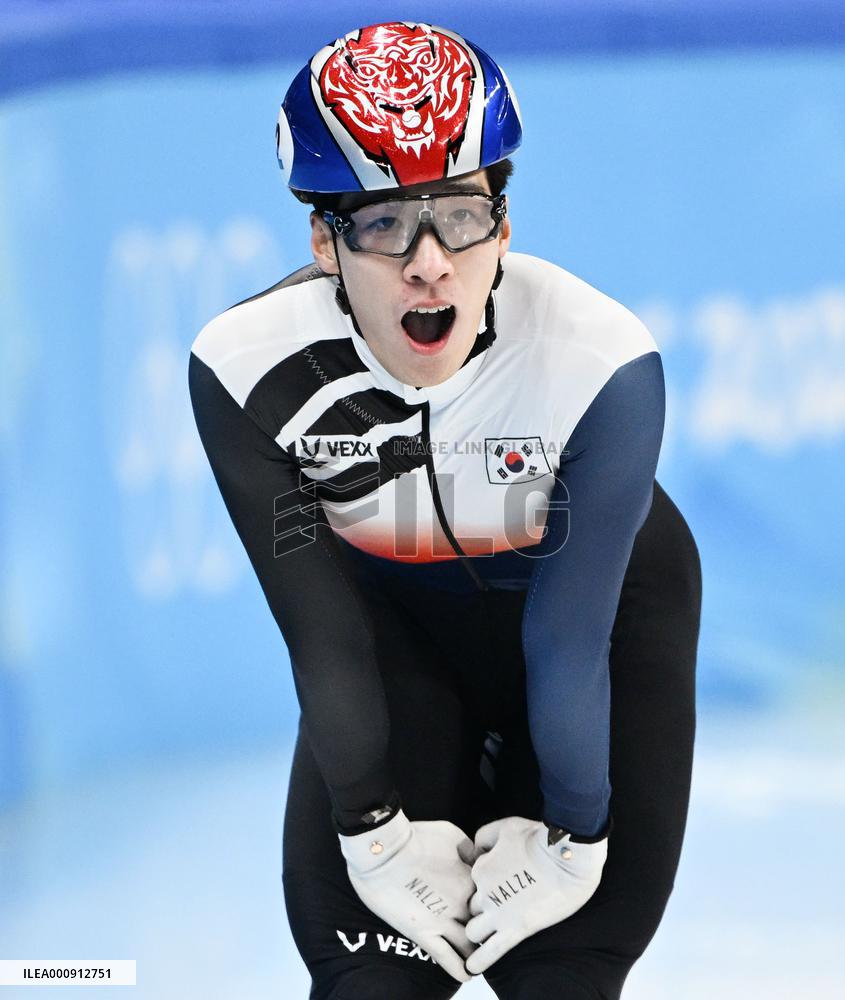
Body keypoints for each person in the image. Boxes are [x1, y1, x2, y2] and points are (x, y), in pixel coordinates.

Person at [188, 20, 702, 1000]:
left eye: (459, 216)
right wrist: (370, 830)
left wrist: (577, 833)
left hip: (602, 633)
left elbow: (568, 639)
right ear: (322, 242)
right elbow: (323, 634)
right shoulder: (245, 370)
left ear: (503, 225)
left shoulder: (600, 360)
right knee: (368, 984)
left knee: (557, 979)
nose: (429, 263)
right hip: (393, 647)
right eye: (383, 222)